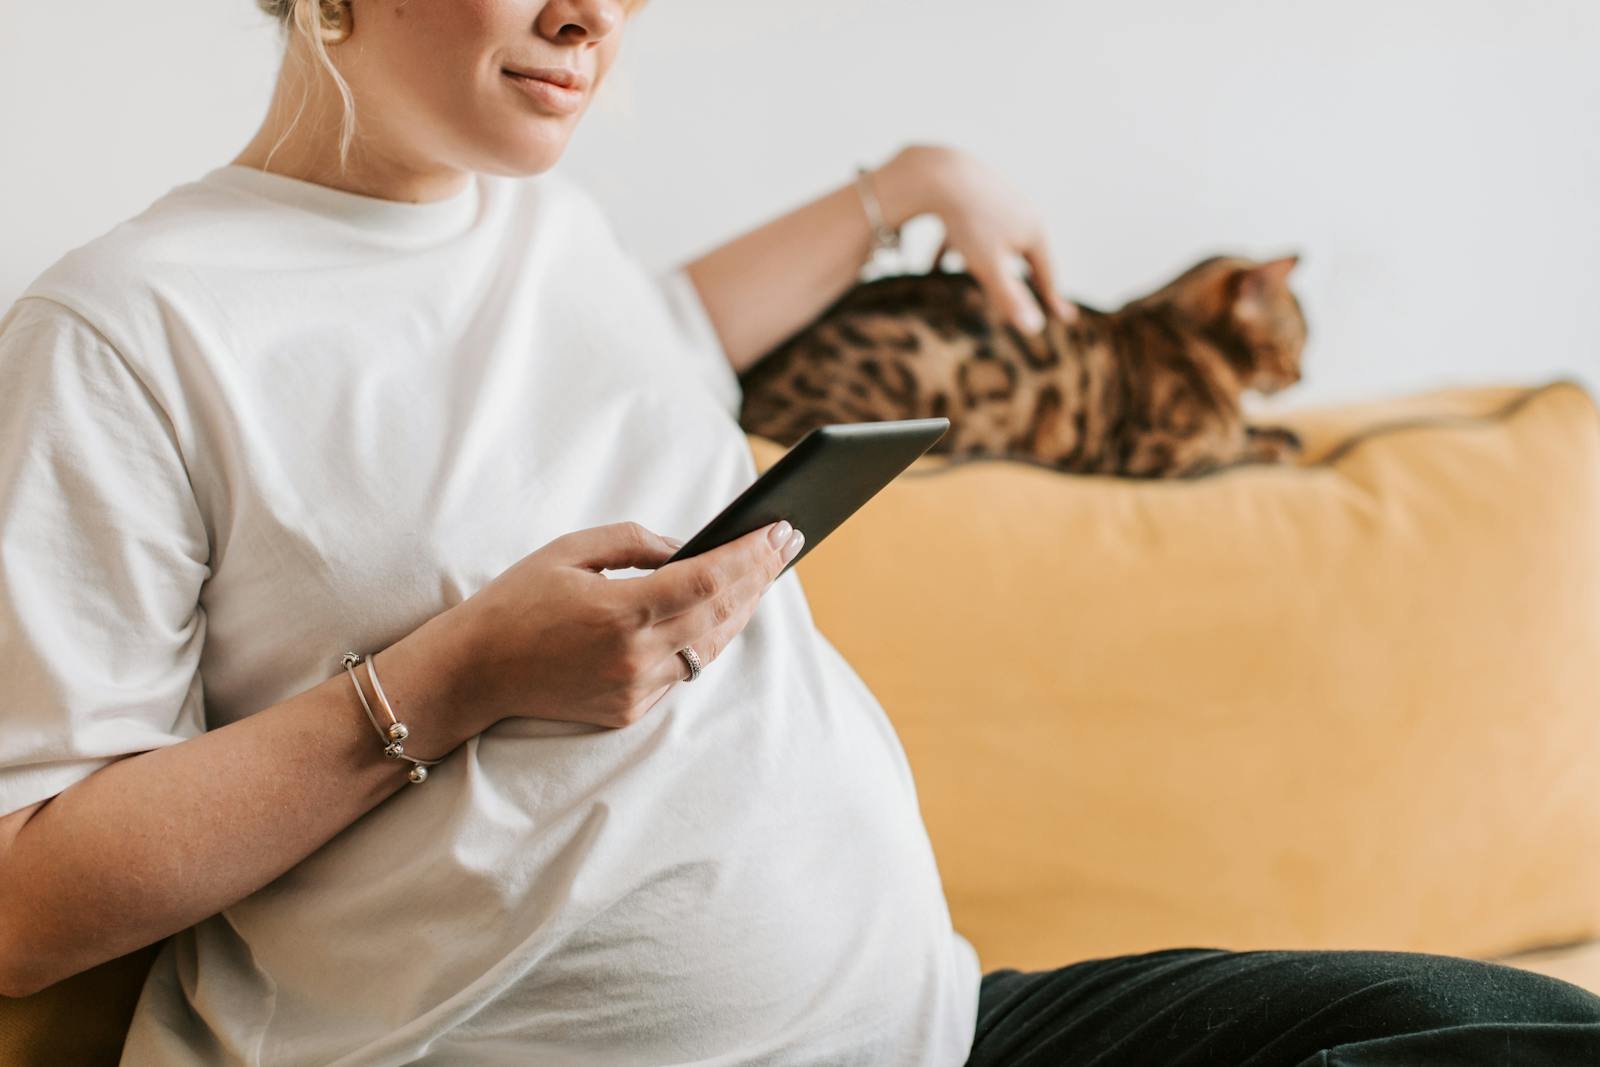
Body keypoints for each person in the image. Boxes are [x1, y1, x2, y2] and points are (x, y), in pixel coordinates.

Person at [0, 1, 1596, 1064]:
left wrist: (902, 185)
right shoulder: (128, 328)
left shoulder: (543, 227)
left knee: (1509, 1039)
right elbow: (24, 903)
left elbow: (660, 339)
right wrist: (463, 675)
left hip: (931, 1030)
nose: (595, 14)